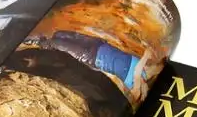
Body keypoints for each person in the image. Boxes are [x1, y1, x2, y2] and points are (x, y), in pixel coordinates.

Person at [26, 31, 157, 103]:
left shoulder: (136, 88)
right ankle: (44, 39)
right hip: (100, 45)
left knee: (60, 44)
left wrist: (146, 56)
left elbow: (137, 74)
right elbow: (158, 66)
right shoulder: (146, 71)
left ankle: (37, 42)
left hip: (93, 57)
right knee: (61, 35)